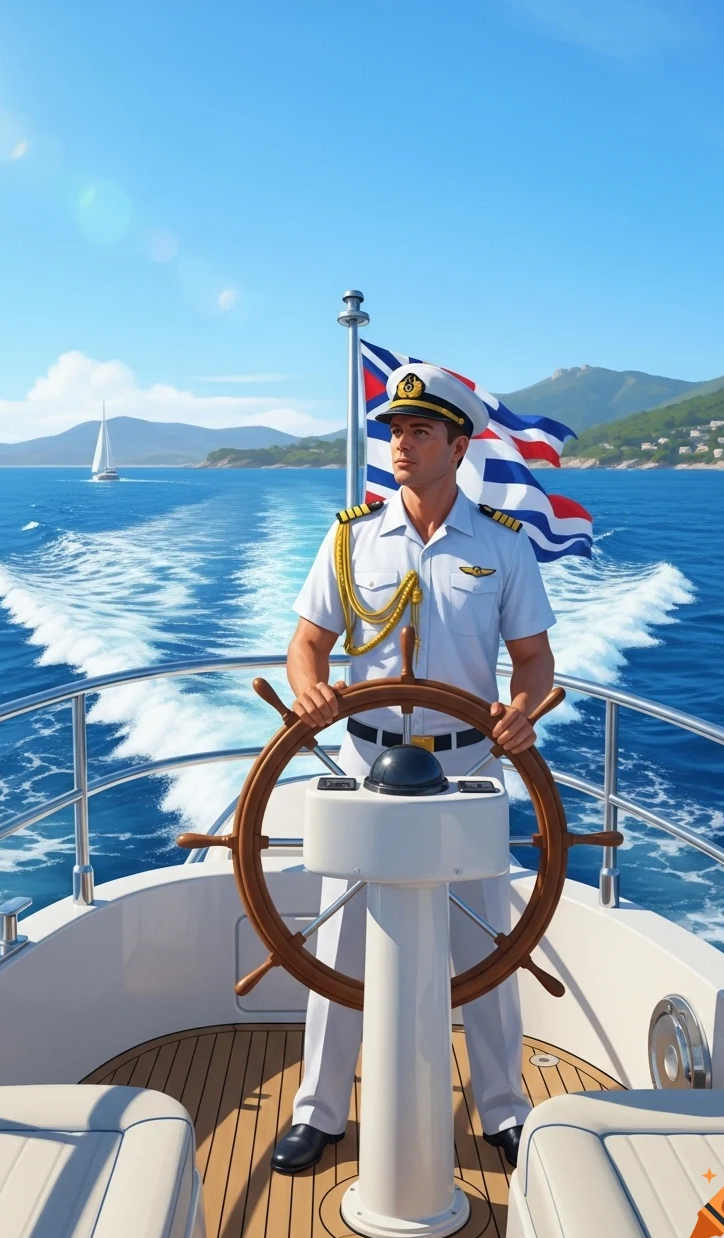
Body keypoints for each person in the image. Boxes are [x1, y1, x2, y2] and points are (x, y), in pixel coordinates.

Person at [270, 361, 556, 1175]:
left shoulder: (502, 549)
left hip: (468, 771)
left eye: (419, 431)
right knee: (339, 942)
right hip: (365, 768)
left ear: (457, 446)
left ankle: (504, 1110)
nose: (401, 443)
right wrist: (309, 691)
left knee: (490, 947)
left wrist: (522, 714)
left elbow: (533, 661)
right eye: (395, 431)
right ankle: (320, 1112)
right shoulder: (350, 538)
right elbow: (307, 644)